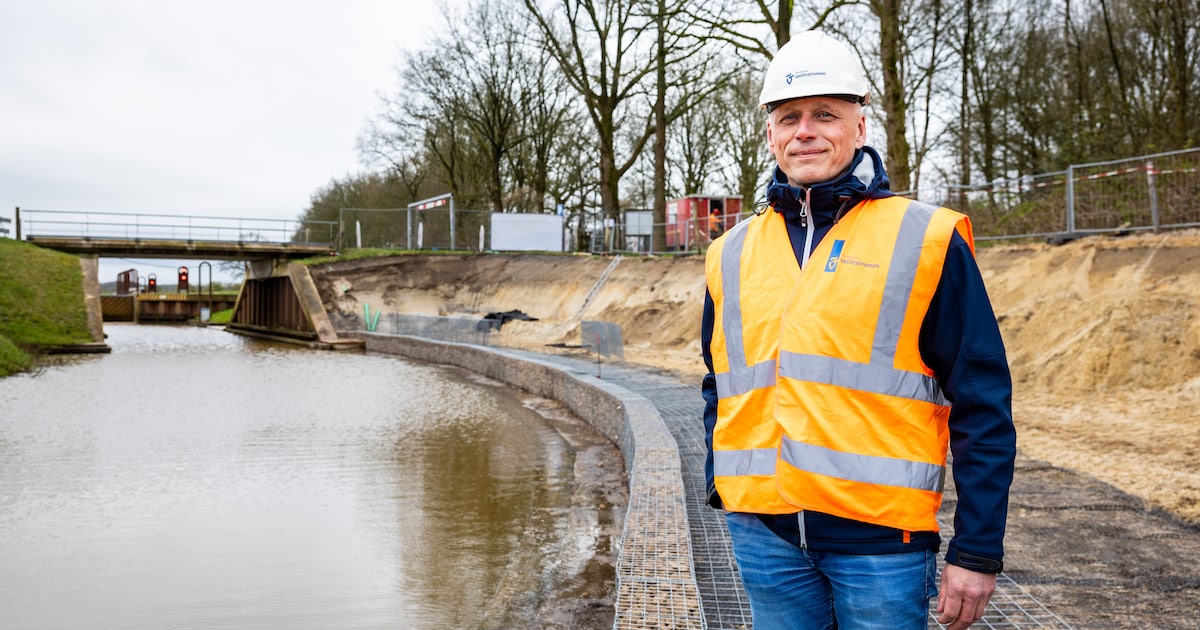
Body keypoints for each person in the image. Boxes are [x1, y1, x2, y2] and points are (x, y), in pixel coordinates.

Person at [700, 30, 1016, 630]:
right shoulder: (729, 253)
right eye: (789, 117)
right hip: (764, 538)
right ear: (771, 134)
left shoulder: (926, 238)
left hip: (881, 543)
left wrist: (977, 550)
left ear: (860, 127)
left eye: (826, 114)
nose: (806, 130)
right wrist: (725, 488)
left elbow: (982, 403)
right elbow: (718, 381)